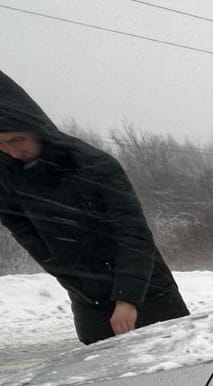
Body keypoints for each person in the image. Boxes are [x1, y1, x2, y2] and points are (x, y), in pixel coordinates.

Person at [0, 70, 187, 345]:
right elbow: (27, 236)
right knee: (104, 384)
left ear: (36, 129)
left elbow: (133, 234)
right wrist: (71, 277)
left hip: (148, 293)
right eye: (1, 144)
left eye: (17, 140)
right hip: (88, 301)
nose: (12, 151)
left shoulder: (95, 165)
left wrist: (127, 298)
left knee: (179, 375)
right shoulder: (8, 179)